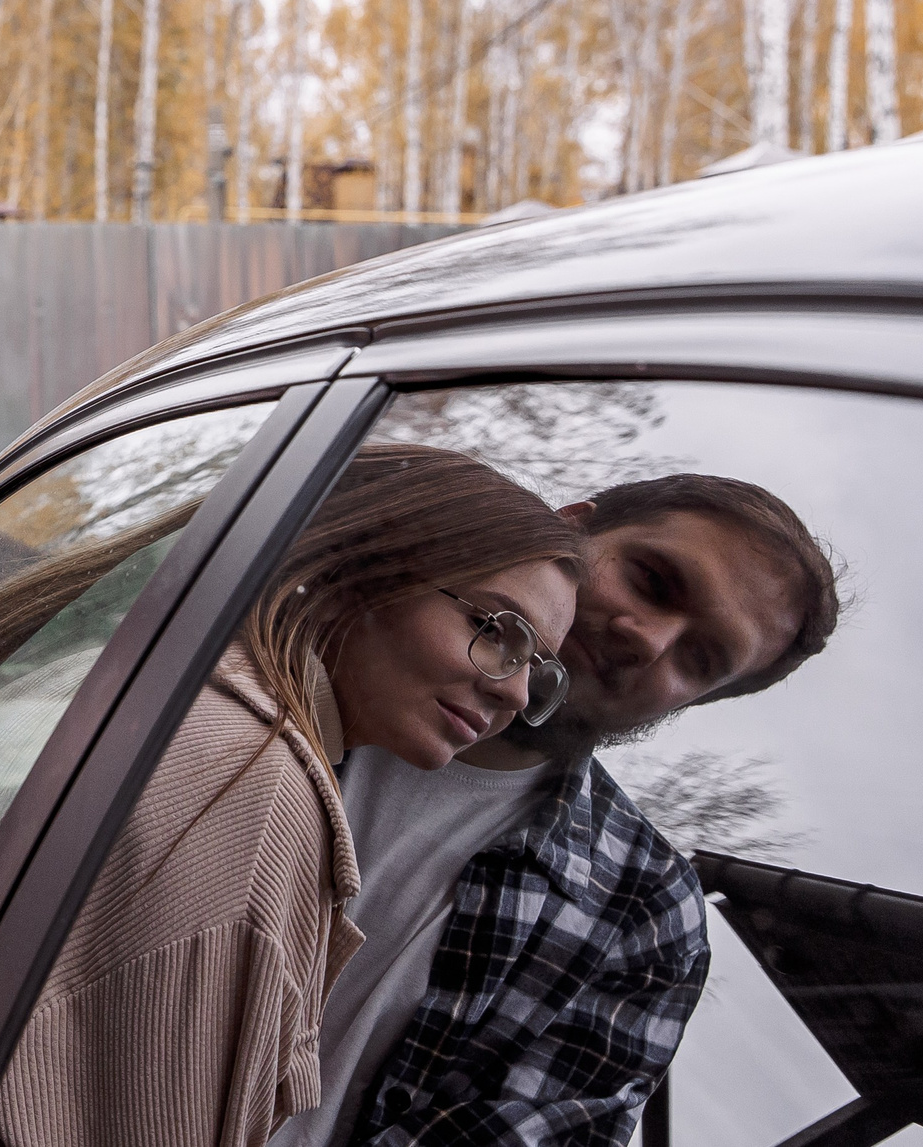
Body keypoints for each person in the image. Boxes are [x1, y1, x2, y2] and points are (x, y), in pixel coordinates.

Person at [0, 444, 588, 1146]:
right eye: (499, 630)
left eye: (540, 670)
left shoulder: (153, 679)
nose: (517, 692)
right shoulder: (252, 788)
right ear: (362, 571)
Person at [272, 471, 841, 1147]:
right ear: (566, 526)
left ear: (690, 704)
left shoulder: (643, 912)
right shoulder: (268, 642)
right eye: (653, 580)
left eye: (698, 658)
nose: (649, 640)